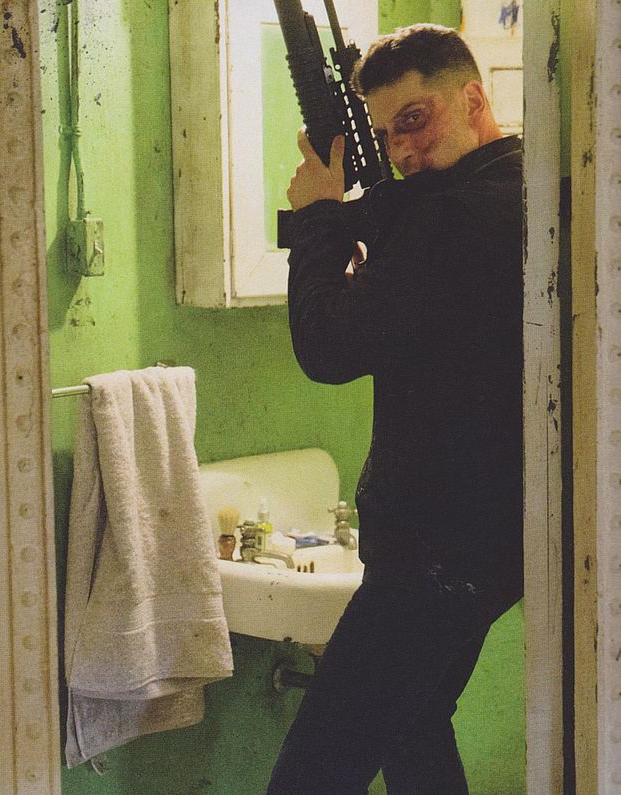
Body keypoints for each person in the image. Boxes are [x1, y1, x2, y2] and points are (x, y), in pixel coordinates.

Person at [267, 23, 523, 795]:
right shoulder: (515, 189)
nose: (403, 150)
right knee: (415, 731)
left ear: (472, 99)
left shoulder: (453, 218)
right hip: (484, 550)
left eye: (415, 119)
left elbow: (327, 347)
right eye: (385, 134)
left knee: (310, 776)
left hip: (429, 558)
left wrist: (319, 215)